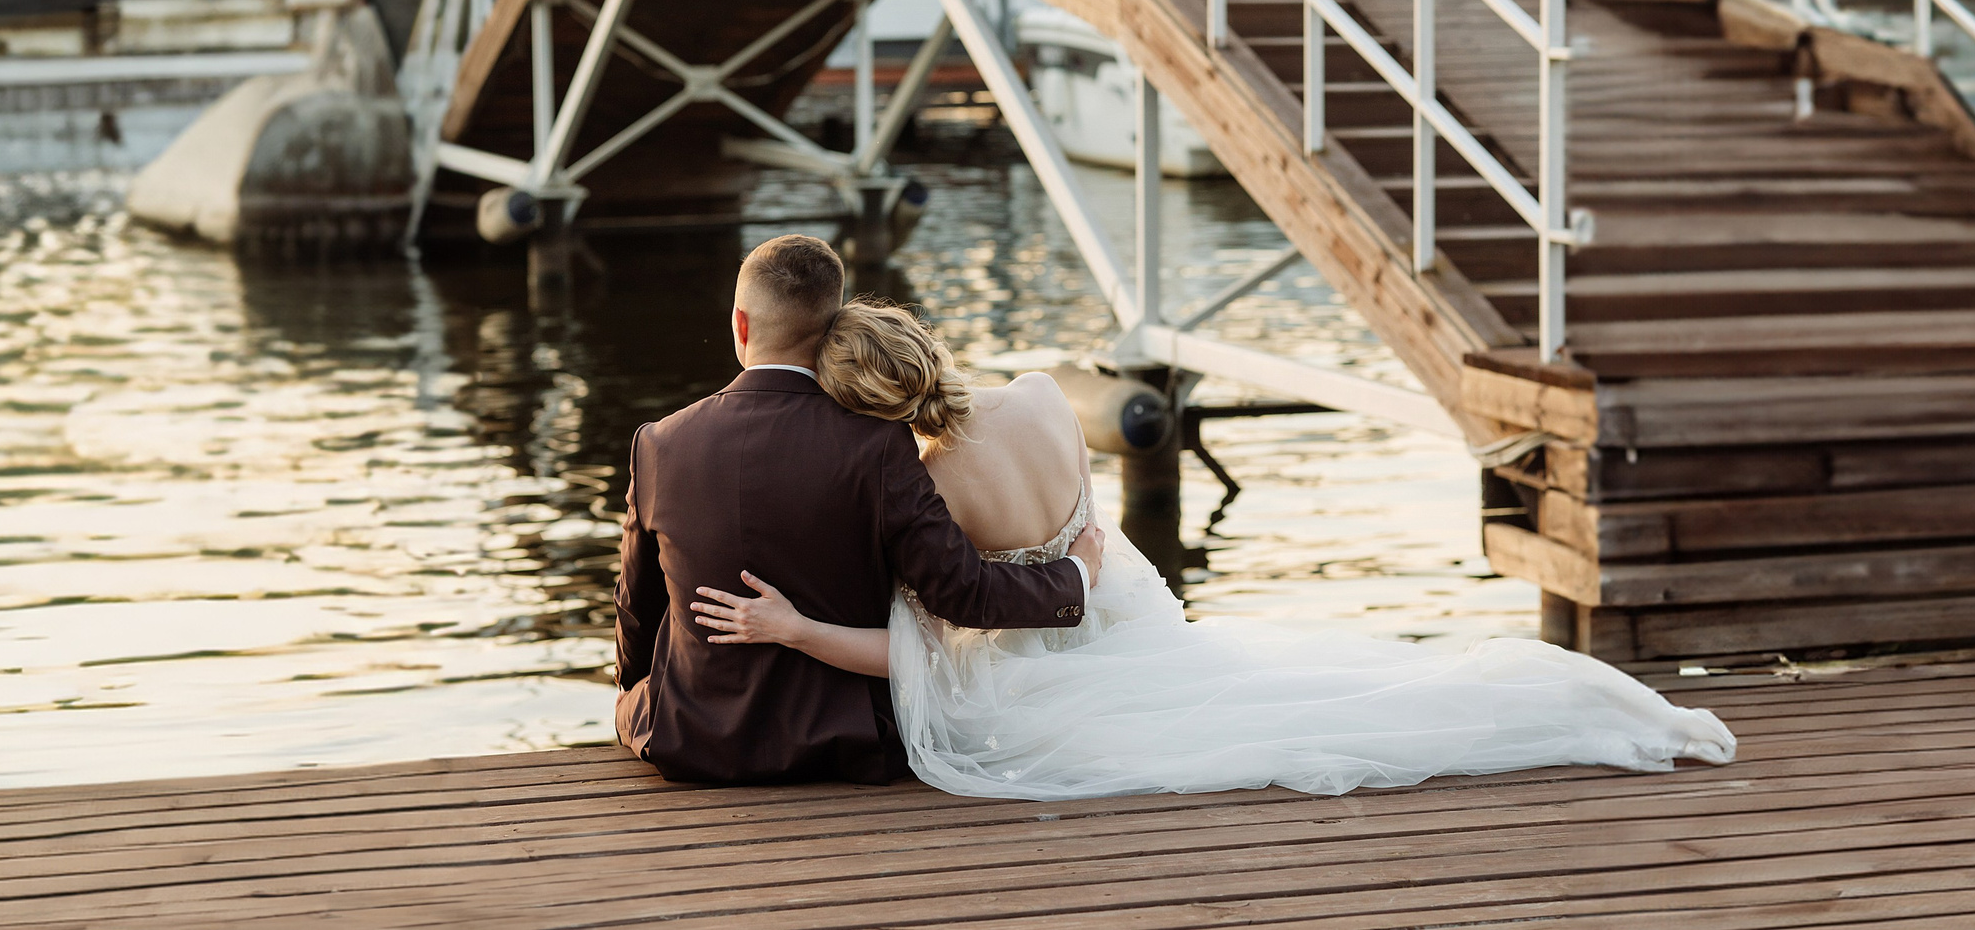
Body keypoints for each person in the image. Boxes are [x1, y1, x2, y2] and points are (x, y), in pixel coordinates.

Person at [690, 298, 1737, 801]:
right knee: (1288, 681)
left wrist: (789, 625)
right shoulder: (1048, 399)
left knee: (1253, 729)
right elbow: (1084, 536)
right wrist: (1080, 570)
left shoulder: (925, 488)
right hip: (1129, 612)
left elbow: (925, 647)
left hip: (1047, 669)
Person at [613, 234, 1105, 785]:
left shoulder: (658, 444)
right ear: (831, 328)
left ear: (741, 324)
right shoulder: (878, 445)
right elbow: (964, 593)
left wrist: (636, 690)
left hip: (691, 737)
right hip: (849, 743)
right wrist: (1074, 577)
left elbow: (637, 606)